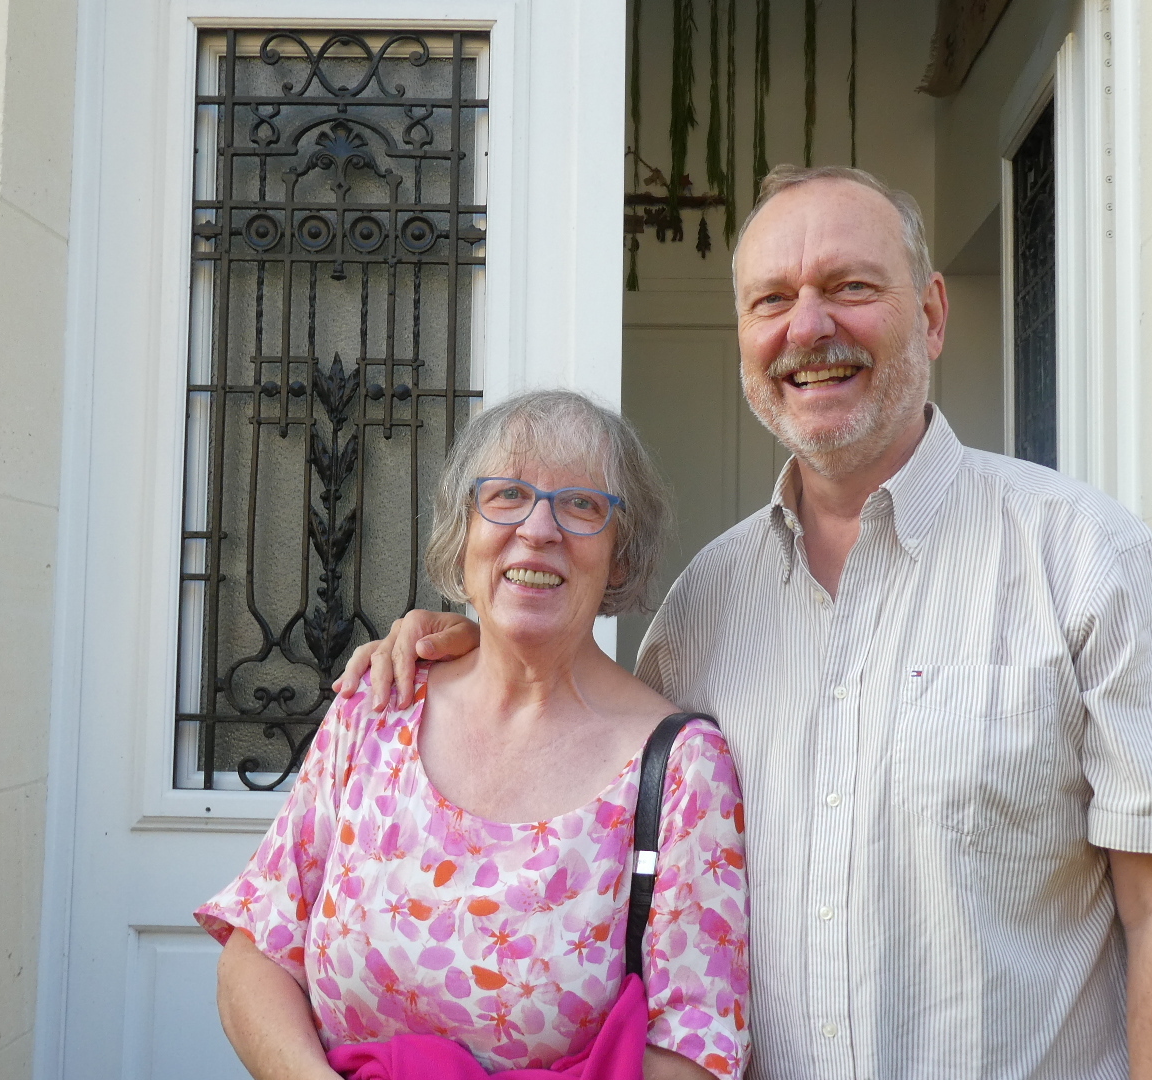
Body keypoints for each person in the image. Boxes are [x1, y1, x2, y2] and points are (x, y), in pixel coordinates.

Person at [337, 166, 1152, 1080]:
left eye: (849, 286)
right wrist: (478, 648)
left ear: (930, 315)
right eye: (772, 299)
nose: (807, 328)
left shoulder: (1088, 562)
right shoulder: (701, 611)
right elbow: (585, 767)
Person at [198, 390, 751, 1080]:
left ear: (620, 553)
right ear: (464, 534)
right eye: (508, 495)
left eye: (581, 504)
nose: (539, 529)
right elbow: (259, 945)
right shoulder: (378, 706)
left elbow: (696, 1048)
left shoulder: (680, 770)